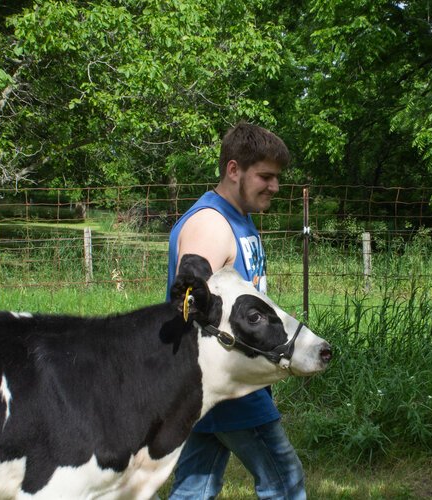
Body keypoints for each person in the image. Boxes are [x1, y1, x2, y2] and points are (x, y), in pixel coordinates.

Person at [166, 122, 306, 499]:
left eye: (276, 177)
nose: (274, 187)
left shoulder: (239, 218)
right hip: (228, 382)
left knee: (197, 484)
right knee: (284, 480)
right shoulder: (211, 224)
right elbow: (188, 305)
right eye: (265, 176)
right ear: (233, 170)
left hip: (216, 383)